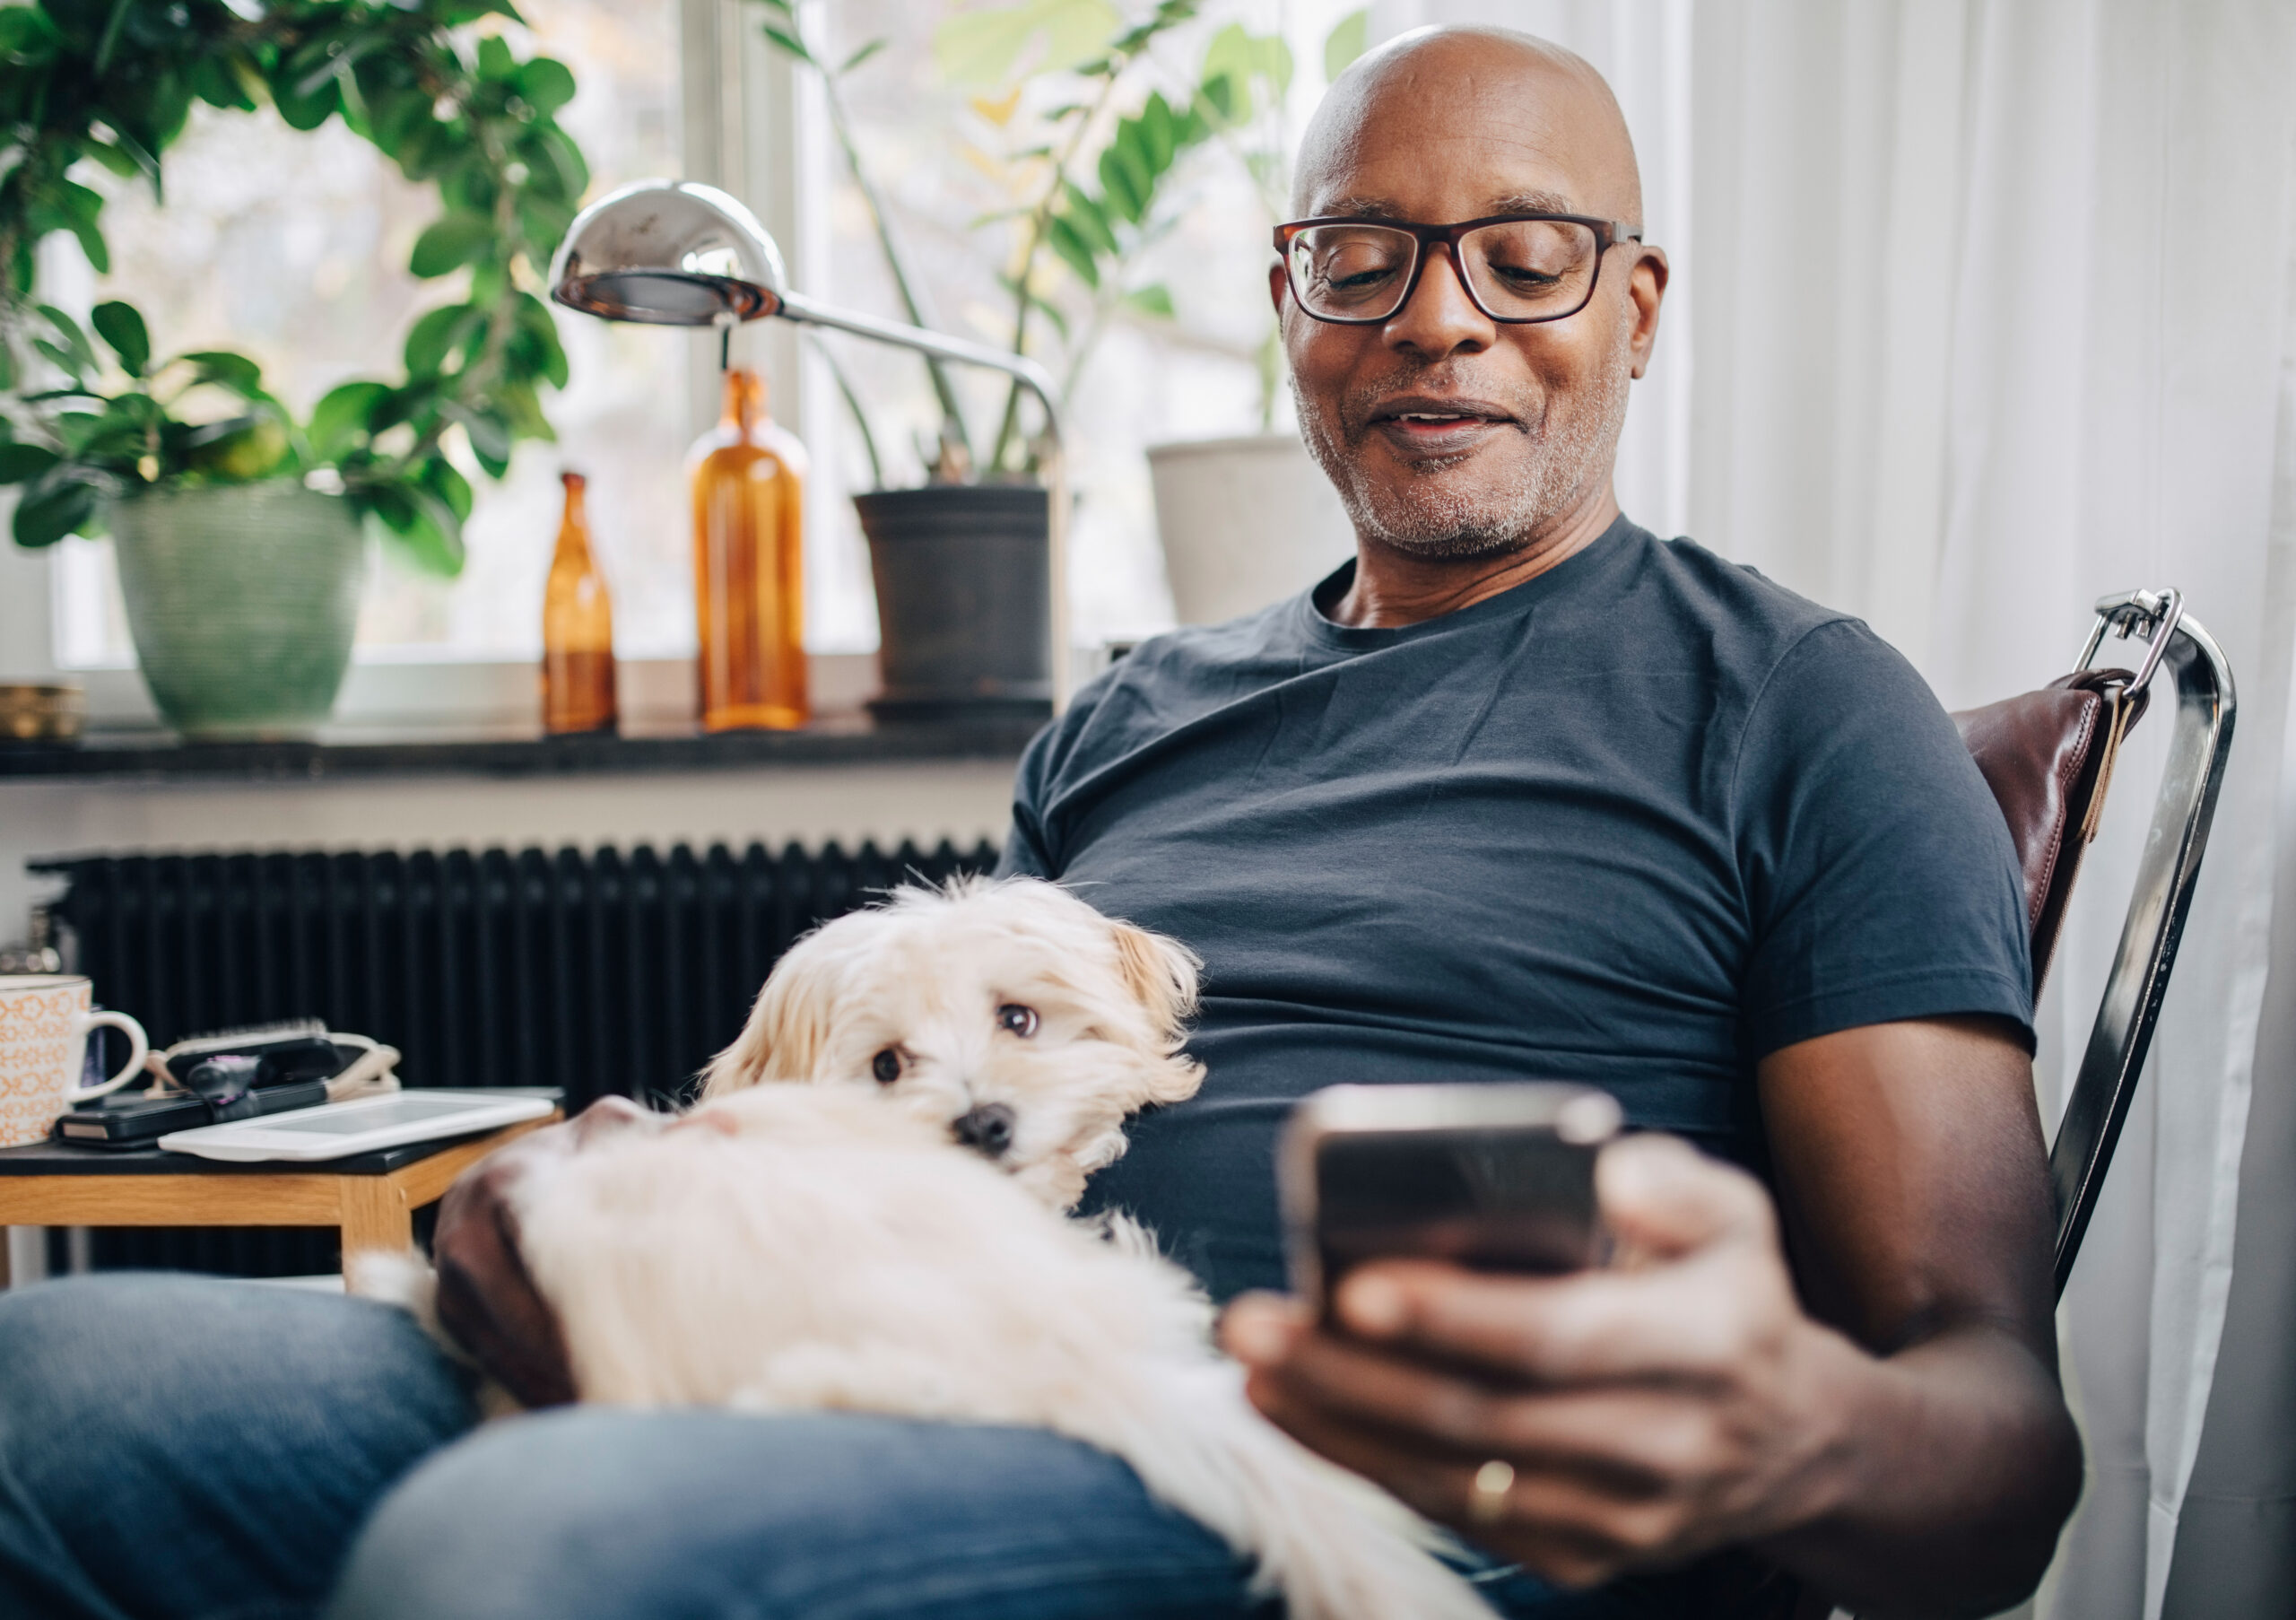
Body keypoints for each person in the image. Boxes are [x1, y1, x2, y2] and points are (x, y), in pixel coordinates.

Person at [0, 25, 2078, 1620]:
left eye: (1523, 258)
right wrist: (624, 1185)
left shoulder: (1802, 706)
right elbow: (931, 1103)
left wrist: (1786, 1431)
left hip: (1306, 1480)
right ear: (1289, 302)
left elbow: (1995, 1439)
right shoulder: (1126, 721)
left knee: (529, 1550)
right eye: (1363, 254)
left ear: (1633, 307)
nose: (1436, 315)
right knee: (48, 1393)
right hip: (874, 1354)